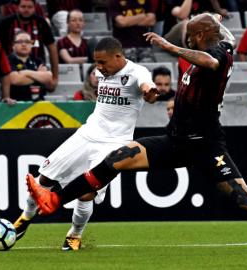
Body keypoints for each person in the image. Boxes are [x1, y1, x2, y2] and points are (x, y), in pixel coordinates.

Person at [26, 13, 247, 252]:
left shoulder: (219, 54)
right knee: (117, 158)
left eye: (190, 35)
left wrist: (168, 45)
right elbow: (212, 38)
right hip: (175, 141)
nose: (186, 38)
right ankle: (54, 198)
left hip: (205, 145)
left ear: (202, 35)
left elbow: (207, 60)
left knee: (245, 199)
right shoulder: (217, 42)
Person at [13, 37, 160, 251]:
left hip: (114, 144)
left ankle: (75, 234)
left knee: (86, 192)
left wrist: (150, 93)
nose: (98, 68)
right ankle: (24, 220)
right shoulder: (103, 71)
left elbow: (147, 87)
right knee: (44, 177)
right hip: (87, 134)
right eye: (96, 62)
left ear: (118, 57)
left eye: (102, 62)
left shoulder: (138, 73)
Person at [0, 0, 58, 90]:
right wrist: (38, 76)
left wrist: (55, 77)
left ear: (35, 8)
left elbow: (52, 49)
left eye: (30, 7)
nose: (26, 10)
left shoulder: (41, 23)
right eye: (23, 7)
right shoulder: (5, 23)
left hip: (37, 65)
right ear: (17, 7)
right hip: (12, 67)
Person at [8, 31, 53, 101]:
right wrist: (38, 75)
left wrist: (25, 73)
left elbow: (49, 80)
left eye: (27, 42)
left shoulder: (38, 61)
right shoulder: (8, 60)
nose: (24, 44)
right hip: (15, 103)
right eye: (20, 42)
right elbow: (15, 80)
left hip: (38, 103)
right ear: (13, 45)